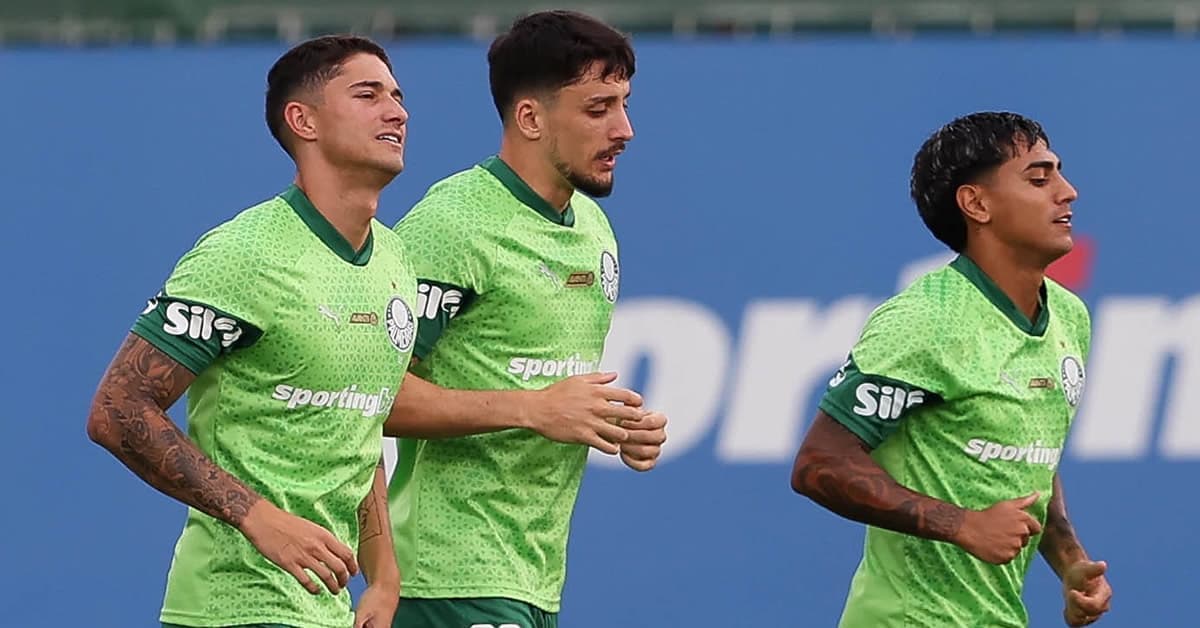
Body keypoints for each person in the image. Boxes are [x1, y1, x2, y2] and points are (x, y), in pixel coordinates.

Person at [87, 35, 413, 628]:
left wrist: (384, 577)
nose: (397, 111)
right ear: (302, 120)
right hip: (231, 608)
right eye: (368, 94)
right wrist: (257, 516)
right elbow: (116, 408)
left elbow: (359, 430)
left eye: (397, 96)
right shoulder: (243, 255)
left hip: (328, 610)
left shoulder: (394, 260)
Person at [382, 10, 667, 628]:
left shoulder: (593, 227)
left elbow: (546, 385)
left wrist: (615, 424)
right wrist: (534, 408)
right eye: (598, 109)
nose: (625, 129)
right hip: (445, 574)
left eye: (624, 103)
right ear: (531, 118)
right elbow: (369, 393)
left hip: (534, 578)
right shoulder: (453, 225)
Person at [790, 112, 1113, 627]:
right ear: (976, 203)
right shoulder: (926, 320)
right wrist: (962, 524)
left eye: (1059, 173)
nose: (1068, 191)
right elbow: (819, 464)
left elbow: (1031, 461)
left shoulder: (1069, 316)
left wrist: (1070, 561)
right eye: (1039, 177)